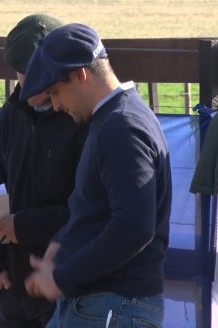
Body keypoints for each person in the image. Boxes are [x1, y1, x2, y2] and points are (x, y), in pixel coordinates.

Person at [21, 23, 172, 328]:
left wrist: (62, 276)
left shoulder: (122, 126)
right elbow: (99, 210)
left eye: (55, 92)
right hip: (103, 306)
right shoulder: (113, 121)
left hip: (113, 306)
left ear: (80, 74)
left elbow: (134, 227)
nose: (56, 105)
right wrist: (61, 243)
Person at [0, 14, 87, 328]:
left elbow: (89, 208)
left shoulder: (82, 119)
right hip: (13, 287)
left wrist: (27, 226)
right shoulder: (11, 111)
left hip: (66, 285)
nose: (27, 84)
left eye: (36, 75)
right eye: (21, 74)